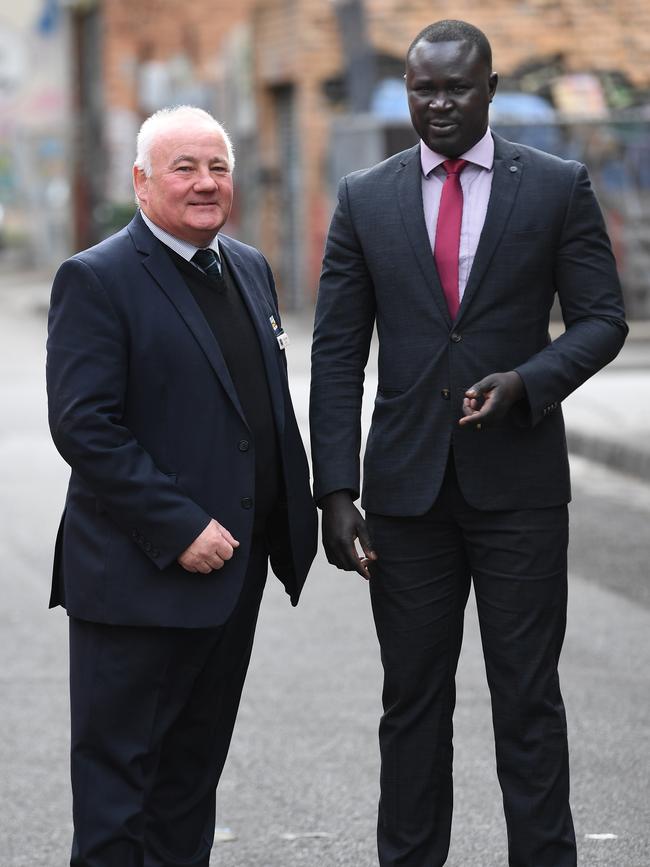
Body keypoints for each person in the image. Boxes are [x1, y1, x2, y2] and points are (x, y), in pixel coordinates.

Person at [310, 19, 627, 867]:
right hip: (406, 496)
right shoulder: (365, 197)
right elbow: (337, 352)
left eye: (457, 88)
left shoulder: (556, 185)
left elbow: (603, 319)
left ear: (488, 91)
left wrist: (530, 381)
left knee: (528, 700)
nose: (440, 103)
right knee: (412, 701)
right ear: (405, 92)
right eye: (424, 89)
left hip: (520, 489)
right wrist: (335, 491)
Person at [47, 105, 317, 867]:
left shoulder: (251, 268)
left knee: (190, 784)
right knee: (118, 792)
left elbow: (259, 412)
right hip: (139, 576)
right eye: (184, 168)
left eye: (218, 168)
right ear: (140, 181)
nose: (206, 184)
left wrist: (306, 515)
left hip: (233, 575)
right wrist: (178, 526)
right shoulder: (96, 278)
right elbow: (84, 426)